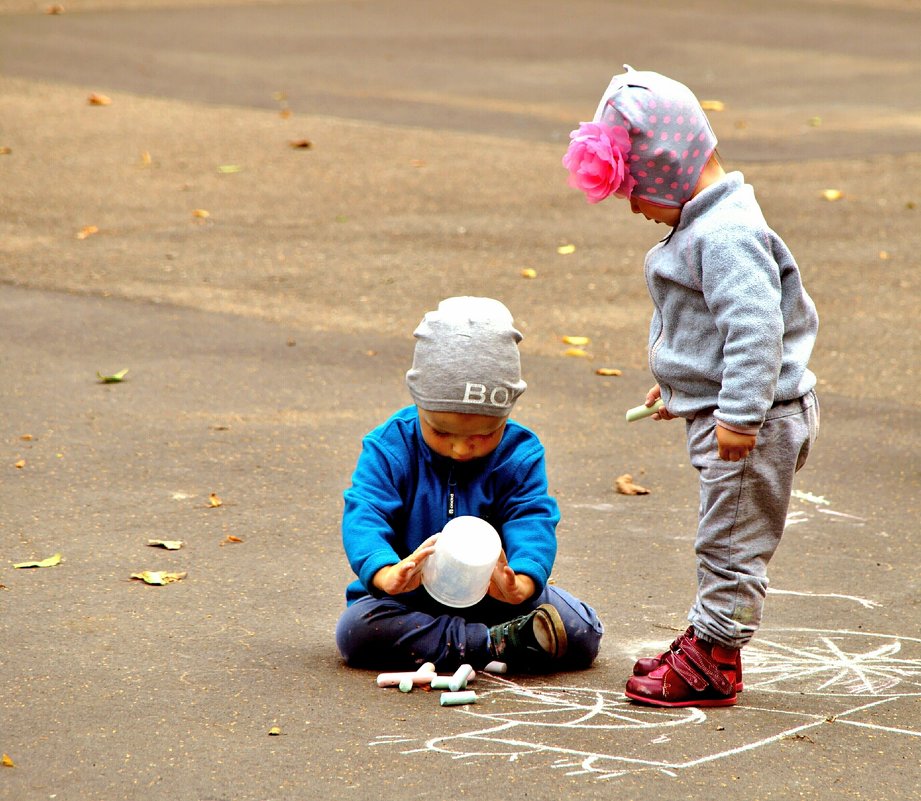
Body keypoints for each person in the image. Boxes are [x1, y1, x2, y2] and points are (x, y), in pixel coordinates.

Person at [562, 67, 820, 707]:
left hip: (755, 421)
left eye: (633, 190)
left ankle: (715, 658)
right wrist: (678, 389)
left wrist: (737, 415)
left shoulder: (725, 234)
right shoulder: (706, 222)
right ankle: (710, 637)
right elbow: (709, 336)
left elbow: (755, 330)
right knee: (725, 536)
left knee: (730, 544)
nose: (630, 205)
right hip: (738, 410)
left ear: (666, 172)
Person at [335, 296, 604, 674]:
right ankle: (493, 643)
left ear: (506, 414)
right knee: (357, 633)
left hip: (497, 599)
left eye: (483, 434)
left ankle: (480, 639)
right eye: (441, 432)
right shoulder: (389, 447)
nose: (461, 448)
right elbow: (365, 512)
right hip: (409, 603)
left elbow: (531, 518)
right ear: (419, 405)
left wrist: (523, 582)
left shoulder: (519, 454)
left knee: (580, 630)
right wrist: (385, 573)